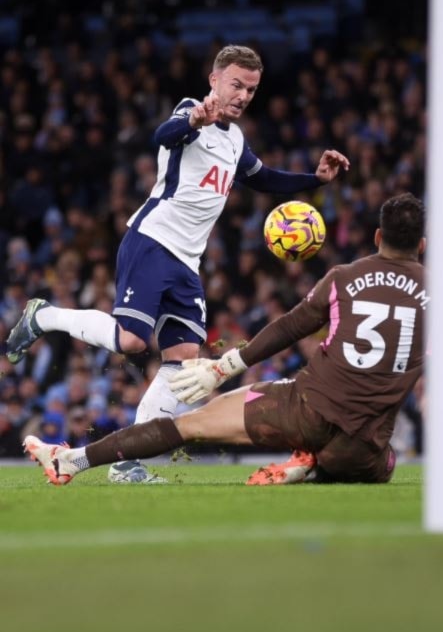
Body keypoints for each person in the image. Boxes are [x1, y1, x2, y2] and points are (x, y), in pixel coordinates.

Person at [23, 193, 443, 486]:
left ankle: (71, 460)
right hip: (366, 443)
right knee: (388, 463)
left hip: (297, 409)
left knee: (184, 426)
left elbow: (291, 327)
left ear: (376, 236)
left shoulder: (344, 277)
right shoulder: (438, 293)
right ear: (423, 245)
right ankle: (318, 467)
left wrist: (227, 364)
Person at [8, 44, 349, 483]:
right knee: (132, 342)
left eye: (251, 89)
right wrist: (194, 119)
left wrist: (313, 180)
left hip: (187, 262)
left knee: (185, 362)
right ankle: (44, 315)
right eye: (236, 85)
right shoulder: (192, 111)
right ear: (214, 80)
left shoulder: (236, 139)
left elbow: (261, 178)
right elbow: (162, 136)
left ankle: (127, 461)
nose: (243, 96)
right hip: (152, 240)